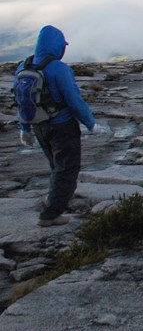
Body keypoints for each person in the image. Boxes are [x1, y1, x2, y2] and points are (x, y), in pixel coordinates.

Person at [15, 25, 97, 227]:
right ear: (58, 46)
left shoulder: (23, 66)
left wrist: (24, 128)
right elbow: (73, 100)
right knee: (67, 168)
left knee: (56, 167)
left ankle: (56, 199)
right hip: (63, 126)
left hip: (38, 125)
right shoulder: (59, 69)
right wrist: (91, 123)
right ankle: (51, 214)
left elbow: (21, 99)